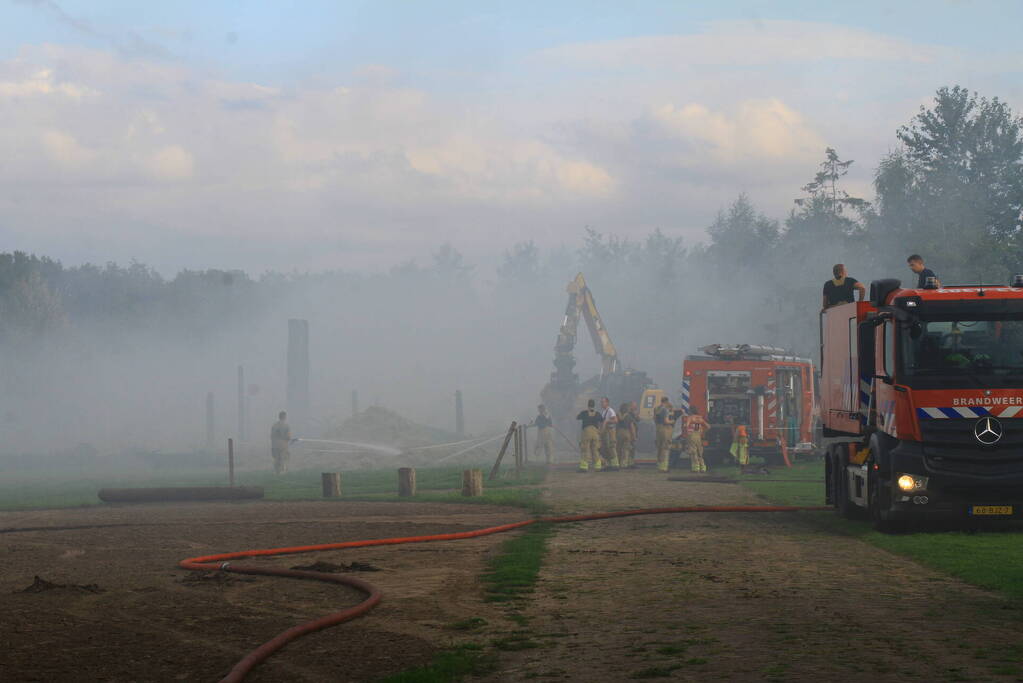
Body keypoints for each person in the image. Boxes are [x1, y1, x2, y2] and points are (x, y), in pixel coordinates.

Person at [576, 399, 603, 472]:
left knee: (585, 449)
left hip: (586, 433)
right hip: (595, 433)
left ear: (588, 405)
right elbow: (601, 421)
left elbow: (577, 417)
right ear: (594, 405)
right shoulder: (598, 413)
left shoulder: (584, 413)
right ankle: (598, 466)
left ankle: (584, 467)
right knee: (595, 449)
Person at [653, 396, 676, 473]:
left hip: (658, 429)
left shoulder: (656, 409)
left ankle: (659, 466)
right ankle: (664, 467)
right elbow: (666, 421)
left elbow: (654, 419)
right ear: (666, 401)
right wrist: (672, 421)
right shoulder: (665, 409)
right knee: (665, 447)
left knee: (659, 447)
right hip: (665, 429)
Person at [685, 407, 710, 473]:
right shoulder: (700, 418)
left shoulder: (690, 417)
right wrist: (703, 432)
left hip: (692, 435)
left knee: (693, 451)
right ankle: (703, 467)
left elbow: (686, 426)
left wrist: (687, 431)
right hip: (698, 436)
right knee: (700, 452)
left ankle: (695, 468)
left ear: (691, 411)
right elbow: (708, 426)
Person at [599, 396, 620, 470]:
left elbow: (616, 420)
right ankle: (609, 464)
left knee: (611, 447)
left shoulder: (610, 410)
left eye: (603, 402)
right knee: (606, 448)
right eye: (601, 402)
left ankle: (615, 465)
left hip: (611, 431)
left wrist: (607, 421)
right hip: (606, 432)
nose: (601, 403)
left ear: (607, 403)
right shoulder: (604, 411)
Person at [616, 402, 636, 469]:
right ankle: (624, 464)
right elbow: (632, 427)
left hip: (619, 433)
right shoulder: (629, 416)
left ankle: (617, 462)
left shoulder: (617, 415)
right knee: (626, 449)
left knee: (618, 448)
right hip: (627, 433)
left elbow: (616, 424)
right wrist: (634, 436)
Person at [270, 411, 291, 475]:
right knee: (283, 458)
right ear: (284, 417)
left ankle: (276, 471)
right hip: (283, 444)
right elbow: (288, 437)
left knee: (276, 458)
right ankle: (282, 471)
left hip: (275, 445)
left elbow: (271, 436)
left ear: (279, 417)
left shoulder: (274, 425)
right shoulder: (286, 425)